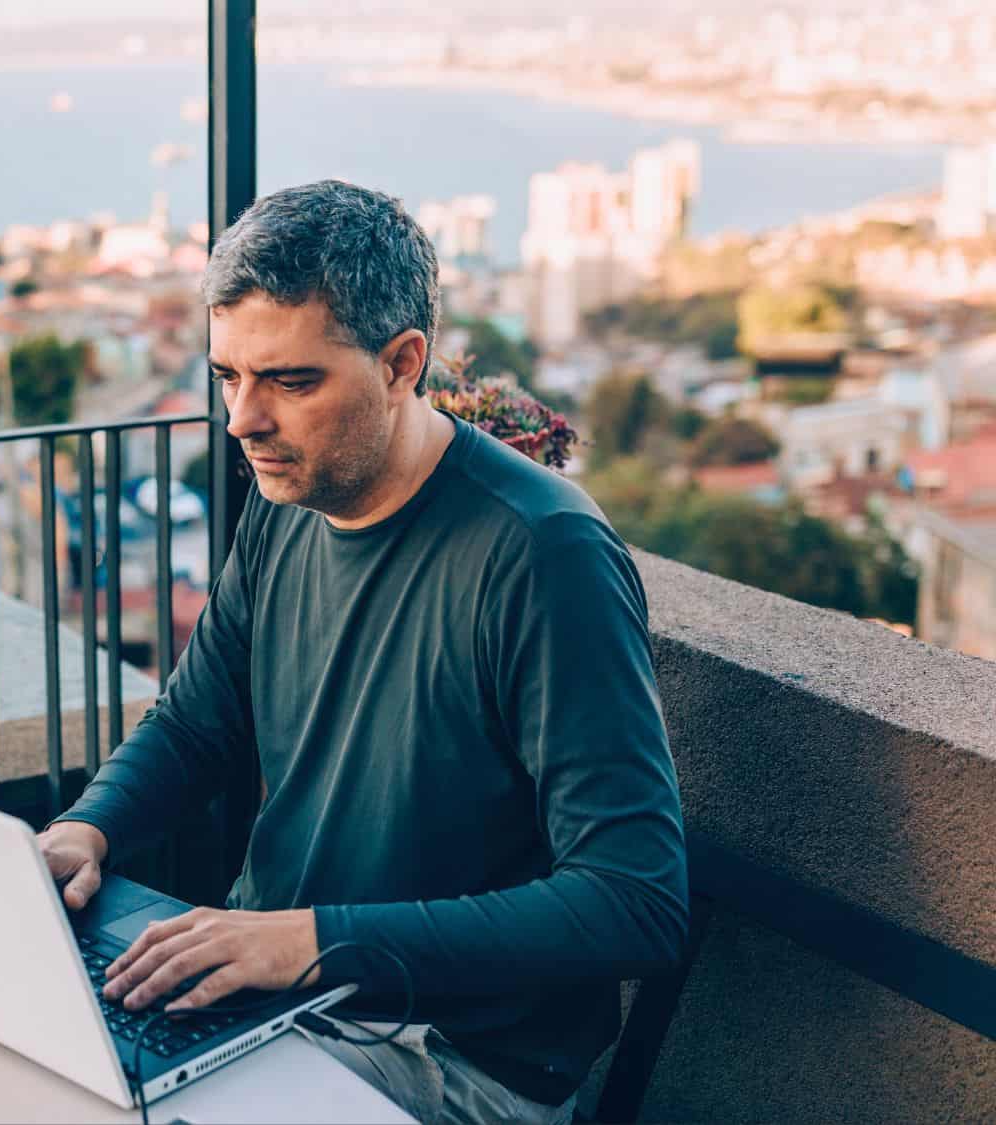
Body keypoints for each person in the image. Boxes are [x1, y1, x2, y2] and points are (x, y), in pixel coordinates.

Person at [38, 180, 688, 1125]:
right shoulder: (284, 503)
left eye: (291, 381)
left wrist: (306, 942)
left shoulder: (543, 554)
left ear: (402, 363)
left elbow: (635, 899)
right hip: (277, 1005)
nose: (242, 420)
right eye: (229, 375)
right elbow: (194, 722)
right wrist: (86, 829)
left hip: (457, 1060)